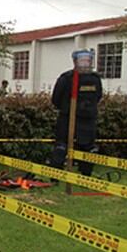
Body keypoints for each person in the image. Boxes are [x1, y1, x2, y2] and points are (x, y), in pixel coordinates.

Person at [48, 49, 103, 177]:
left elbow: (56, 99)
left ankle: (56, 176)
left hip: (74, 118)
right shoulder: (73, 78)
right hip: (80, 118)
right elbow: (99, 97)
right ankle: (84, 174)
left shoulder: (68, 78)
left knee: (64, 146)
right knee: (82, 147)